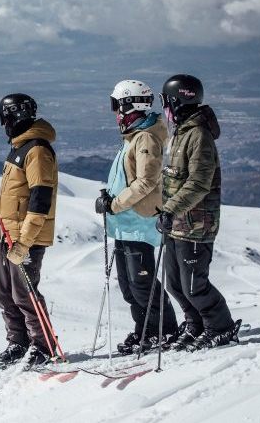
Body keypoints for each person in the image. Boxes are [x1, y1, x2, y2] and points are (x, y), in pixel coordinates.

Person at [157, 74, 241, 351]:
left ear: (178, 101)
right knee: (175, 284)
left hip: (196, 223)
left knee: (194, 284)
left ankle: (221, 326)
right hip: (178, 223)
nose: (165, 110)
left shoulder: (199, 136)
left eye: (166, 103)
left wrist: (170, 208)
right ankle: (195, 324)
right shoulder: (181, 133)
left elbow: (199, 182)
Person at [95, 80, 179, 355]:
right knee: (129, 287)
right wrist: (110, 200)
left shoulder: (146, 138)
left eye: (117, 105)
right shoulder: (135, 135)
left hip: (137, 222)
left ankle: (163, 331)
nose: (115, 113)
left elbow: (146, 182)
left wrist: (114, 204)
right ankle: (144, 328)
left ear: (130, 105)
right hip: (124, 224)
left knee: (142, 283)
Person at [0, 93, 59, 369]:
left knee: (25, 293)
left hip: (24, 237)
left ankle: (43, 345)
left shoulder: (37, 150)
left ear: (13, 117)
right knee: (5, 292)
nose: (4, 125)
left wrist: (25, 241)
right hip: (8, 233)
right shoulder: (19, 147)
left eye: (5, 118)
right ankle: (18, 342)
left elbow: (40, 199)